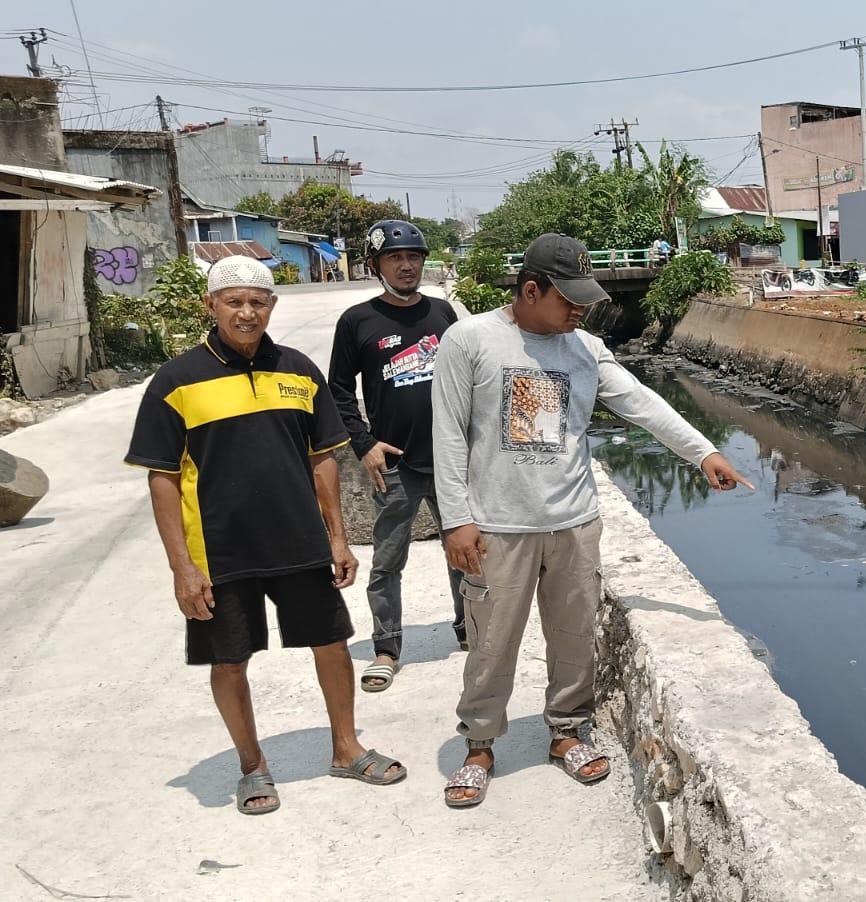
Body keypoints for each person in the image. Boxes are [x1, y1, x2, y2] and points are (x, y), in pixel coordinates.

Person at [432, 233, 752, 807]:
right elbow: (449, 434)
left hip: (575, 521)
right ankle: (479, 744)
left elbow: (642, 403)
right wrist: (457, 520)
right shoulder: (470, 340)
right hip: (498, 527)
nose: (581, 309)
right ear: (531, 290)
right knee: (491, 642)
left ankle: (567, 730)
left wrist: (703, 452)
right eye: (569, 298)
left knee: (574, 637)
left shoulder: (586, 347)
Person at [125, 255, 406, 816]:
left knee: (331, 644)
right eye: (234, 301)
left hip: (299, 540)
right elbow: (162, 477)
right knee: (228, 660)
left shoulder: (298, 370)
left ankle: (346, 748)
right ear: (211, 305)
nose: (247, 312)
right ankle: (252, 766)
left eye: (258, 301)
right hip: (219, 551)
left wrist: (337, 537)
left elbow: (323, 457)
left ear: (272, 306)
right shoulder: (176, 381)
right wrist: (182, 567)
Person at [328, 219, 465, 693]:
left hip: (451, 460)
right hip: (395, 465)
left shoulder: (443, 314)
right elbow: (338, 392)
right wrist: (364, 444)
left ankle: (470, 629)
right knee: (387, 561)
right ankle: (386, 647)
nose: (406, 266)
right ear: (375, 265)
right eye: (395, 258)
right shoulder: (357, 321)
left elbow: (469, 376)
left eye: (413, 257)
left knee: (465, 551)